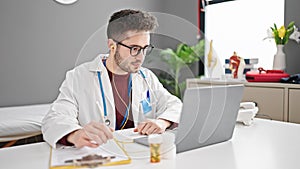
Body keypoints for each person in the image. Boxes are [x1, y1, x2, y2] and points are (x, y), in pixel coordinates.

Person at [42, 9, 182, 148]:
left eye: (145, 48)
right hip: (99, 154)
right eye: (134, 48)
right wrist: (76, 134)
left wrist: (162, 122)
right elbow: (54, 119)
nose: (141, 56)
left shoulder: (146, 77)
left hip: (139, 154)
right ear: (112, 45)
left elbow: (174, 105)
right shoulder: (79, 77)